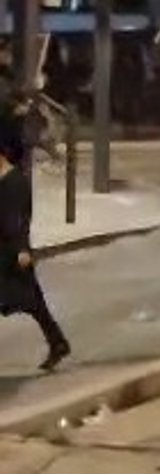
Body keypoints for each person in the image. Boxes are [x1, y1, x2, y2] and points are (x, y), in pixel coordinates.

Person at [0, 125, 70, 371]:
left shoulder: (14, 182)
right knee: (33, 302)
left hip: (11, 253)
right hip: (7, 251)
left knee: (32, 301)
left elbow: (19, 219)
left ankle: (58, 342)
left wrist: (22, 249)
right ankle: (58, 342)